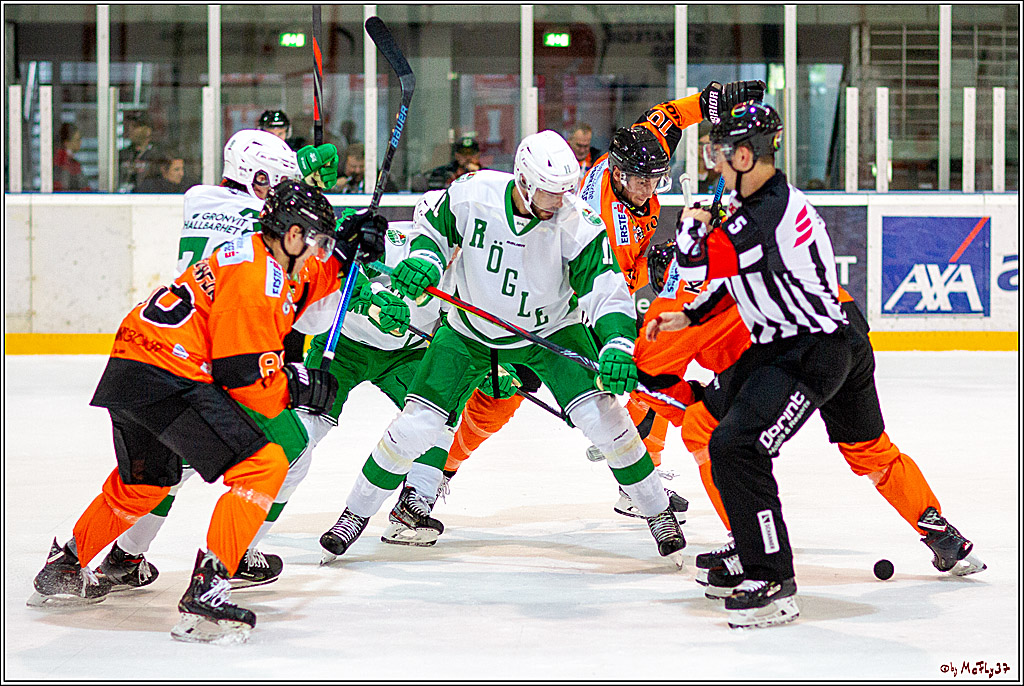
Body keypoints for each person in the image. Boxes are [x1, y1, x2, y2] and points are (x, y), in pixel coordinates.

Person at [645, 101, 986, 629]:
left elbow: (694, 258)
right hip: (823, 335)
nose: (712, 159)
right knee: (737, 430)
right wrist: (690, 315)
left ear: (743, 154)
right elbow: (738, 285)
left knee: (735, 445)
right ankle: (942, 533)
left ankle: (772, 579)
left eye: (719, 150)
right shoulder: (757, 197)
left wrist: (691, 224)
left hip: (811, 349)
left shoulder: (764, 217)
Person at [27, 179, 387, 644]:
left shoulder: (253, 252)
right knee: (265, 464)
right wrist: (299, 385)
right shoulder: (259, 277)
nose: (319, 252)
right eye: (317, 242)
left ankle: (65, 568)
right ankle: (208, 591)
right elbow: (242, 376)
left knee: (144, 485)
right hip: (169, 375)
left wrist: (343, 255)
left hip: (130, 369)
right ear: (293, 236)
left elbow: (299, 290)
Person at [318, 130, 687, 567]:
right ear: (525, 182)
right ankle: (353, 515)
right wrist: (426, 261)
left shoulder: (578, 221)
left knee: (606, 421)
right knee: (416, 426)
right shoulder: (474, 194)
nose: (561, 201)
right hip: (468, 330)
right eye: (551, 193)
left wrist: (619, 346)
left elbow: (606, 291)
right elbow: (433, 230)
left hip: (551, 330)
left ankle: (656, 511)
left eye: (566, 191)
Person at [413, 80, 767, 519]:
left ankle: (640, 481)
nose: (648, 188)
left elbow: (670, 117)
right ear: (618, 173)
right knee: (502, 397)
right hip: (556, 305)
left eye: (656, 178)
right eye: (640, 180)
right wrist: (657, 274)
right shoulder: (599, 217)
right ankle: (434, 477)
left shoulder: (635, 160)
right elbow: (604, 285)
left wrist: (710, 103)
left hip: (559, 295)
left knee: (649, 370)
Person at [92, 128, 343, 592]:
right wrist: (328, 223)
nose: (277, 194)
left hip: (185, 350)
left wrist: (307, 193)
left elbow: (279, 226)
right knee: (286, 455)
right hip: (220, 356)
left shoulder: (201, 200)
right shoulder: (254, 228)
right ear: (258, 178)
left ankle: (119, 556)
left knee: (166, 469)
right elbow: (288, 248)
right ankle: (234, 558)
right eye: (277, 182)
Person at [119, 112, 157, 192]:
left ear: (148, 130)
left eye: (136, 126)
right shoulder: (122, 154)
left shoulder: (157, 155)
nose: (131, 130)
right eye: (130, 126)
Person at [54, 122, 90, 192]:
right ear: (66, 142)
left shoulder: (67, 160)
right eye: (77, 140)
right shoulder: (64, 162)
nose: (80, 143)